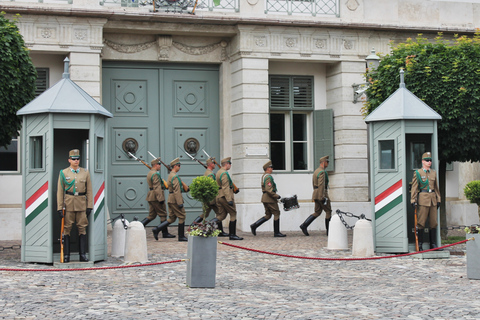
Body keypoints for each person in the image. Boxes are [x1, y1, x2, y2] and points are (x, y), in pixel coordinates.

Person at [56, 149, 93, 262]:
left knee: (82, 228)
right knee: (67, 229)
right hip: (69, 204)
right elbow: (60, 191)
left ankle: (82, 255)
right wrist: (59, 207)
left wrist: (89, 205)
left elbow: (89, 190)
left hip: (81, 204)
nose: (76, 161)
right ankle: (66, 255)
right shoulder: (64, 173)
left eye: (77, 159)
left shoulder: (85, 172)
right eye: (73, 159)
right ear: (69, 160)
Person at [152, 158, 189, 242]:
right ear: (175, 166)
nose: (180, 167)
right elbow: (176, 191)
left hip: (170, 199)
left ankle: (157, 229)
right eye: (179, 166)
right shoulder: (175, 176)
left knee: (171, 218)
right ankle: (181, 236)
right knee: (182, 216)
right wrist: (180, 202)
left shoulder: (171, 175)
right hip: (175, 200)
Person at [191, 157, 229, 236]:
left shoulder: (207, 172)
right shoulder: (210, 174)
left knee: (206, 214)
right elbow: (211, 186)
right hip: (211, 199)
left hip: (208, 199)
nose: (215, 164)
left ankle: (193, 225)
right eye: (214, 163)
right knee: (219, 214)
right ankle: (218, 231)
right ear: (211, 164)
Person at [410, 152, 441, 250]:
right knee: (421, 222)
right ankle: (420, 245)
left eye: (430, 160)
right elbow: (414, 187)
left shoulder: (433, 173)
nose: (429, 162)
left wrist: (438, 199)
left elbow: (436, 187)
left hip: (433, 199)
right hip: (423, 199)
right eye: (427, 160)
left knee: (433, 222)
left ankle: (433, 244)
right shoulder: (418, 173)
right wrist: (413, 199)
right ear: (423, 161)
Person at [141, 158, 175, 239]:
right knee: (163, 214)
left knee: (152, 215)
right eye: (159, 164)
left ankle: (138, 227)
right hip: (156, 197)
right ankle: (164, 233)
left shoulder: (150, 173)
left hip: (151, 196)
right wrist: (161, 199)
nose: (160, 166)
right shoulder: (155, 174)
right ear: (156, 165)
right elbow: (157, 188)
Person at [250, 160, 286, 237]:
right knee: (276, 213)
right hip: (270, 198)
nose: (272, 169)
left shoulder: (264, 176)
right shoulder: (268, 177)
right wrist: (277, 196)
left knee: (268, 215)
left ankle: (254, 225)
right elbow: (269, 190)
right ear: (267, 168)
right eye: (271, 168)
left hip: (265, 198)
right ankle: (276, 232)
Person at [212, 157, 243, 240]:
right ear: (226, 164)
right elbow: (225, 187)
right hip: (225, 196)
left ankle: (207, 225)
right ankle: (232, 235)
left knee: (221, 215)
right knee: (233, 214)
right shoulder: (224, 173)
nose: (230, 165)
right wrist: (229, 199)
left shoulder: (219, 172)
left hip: (219, 196)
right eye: (230, 164)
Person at [300, 155, 332, 236]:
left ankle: (304, 225)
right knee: (328, 211)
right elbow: (321, 185)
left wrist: (316, 194)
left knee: (317, 212)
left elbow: (314, 184)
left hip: (316, 193)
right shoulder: (322, 172)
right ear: (324, 163)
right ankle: (329, 231)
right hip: (322, 193)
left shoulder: (316, 171)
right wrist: (322, 196)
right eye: (327, 162)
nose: (328, 163)